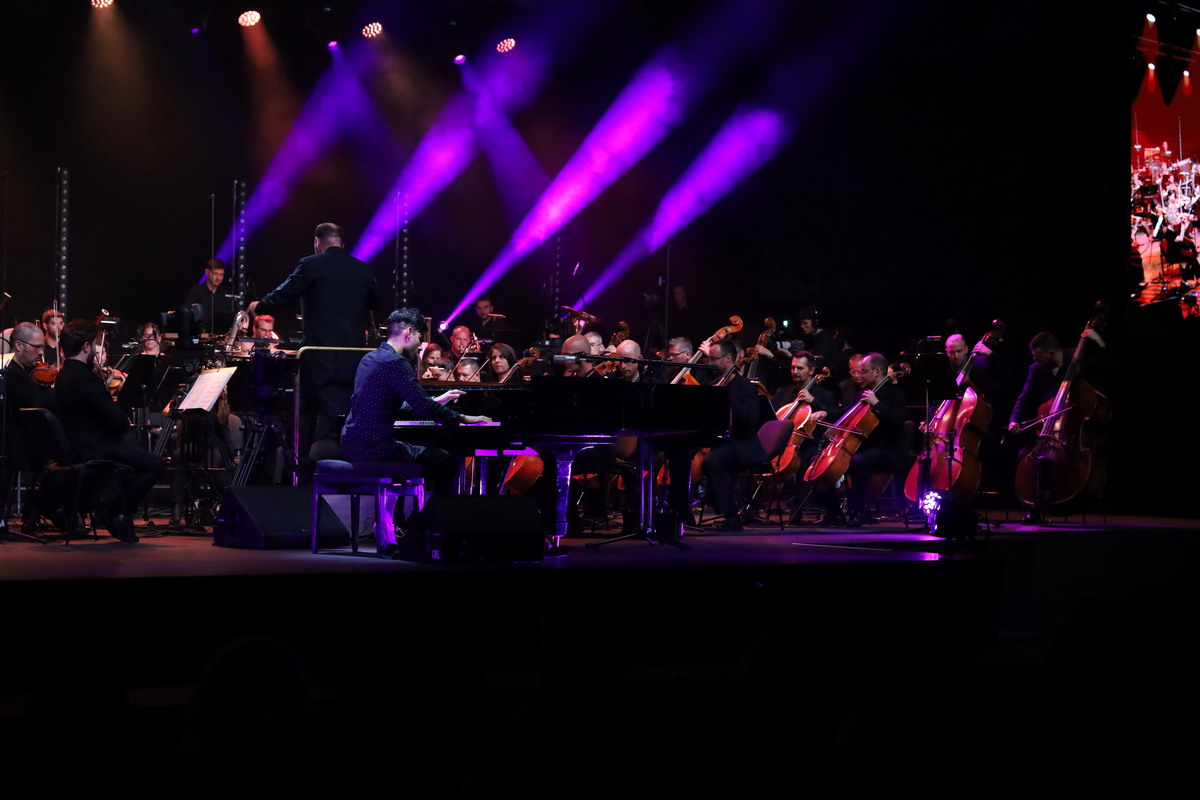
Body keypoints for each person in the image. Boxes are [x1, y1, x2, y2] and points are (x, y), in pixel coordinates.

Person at [248, 223, 381, 475]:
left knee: (306, 410)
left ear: (317, 242)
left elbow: (284, 294)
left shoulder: (310, 264)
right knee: (347, 413)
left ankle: (300, 471)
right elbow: (375, 302)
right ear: (342, 243)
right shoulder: (362, 269)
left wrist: (260, 305)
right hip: (353, 359)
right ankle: (351, 470)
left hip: (318, 355)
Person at [341, 308, 490, 494]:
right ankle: (424, 512)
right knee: (445, 461)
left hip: (352, 443)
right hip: (375, 449)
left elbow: (390, 404)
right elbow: (423, 406)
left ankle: (407, 507)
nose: (420, 345)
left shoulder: (370, 358)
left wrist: (436, 400)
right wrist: (462, 418)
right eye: (420, 338)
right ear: (409, 332)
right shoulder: (395, 362)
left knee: (423, 451)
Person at [52, 319, 166, 542]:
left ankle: (111, 507)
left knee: (132, 457)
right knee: (156, 464)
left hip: (74, 445)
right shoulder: (87, 379)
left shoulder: (64, 376)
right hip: (93, 448)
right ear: (86, 347)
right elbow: (119, 422)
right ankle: (114, 512)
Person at [699, 339, 771, 531]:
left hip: (743, 444)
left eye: (714, 359)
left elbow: (750, 419)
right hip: (724, 441)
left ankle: (731, 517)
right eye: (709, 359)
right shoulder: (716, 383)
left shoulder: (745, 386)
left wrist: (726, 396)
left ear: (728, 359)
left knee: (712, 461)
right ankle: (683, 513)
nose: (710, 363)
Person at [184, 258, 234, 334]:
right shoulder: (196, 292)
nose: (218, 278)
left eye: (221, 275)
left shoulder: (226, 294)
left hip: (221, 335)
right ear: (207, 272)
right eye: (215, 274)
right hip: (200, 335)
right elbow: (187, 315)